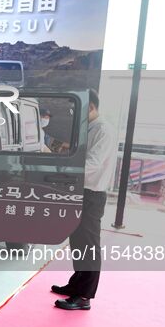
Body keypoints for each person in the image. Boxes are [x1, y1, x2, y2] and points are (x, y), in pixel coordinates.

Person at [52, 89, 116, 310]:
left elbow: (93, 163)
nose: (74, 114)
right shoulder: (92, 128)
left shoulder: (104, 130)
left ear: (90, 107)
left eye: (77, 110)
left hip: (91, 193)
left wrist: (63, 170)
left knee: (88, 245)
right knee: (78, 242)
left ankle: (84, 297)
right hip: (81, 191)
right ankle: (76, 285)